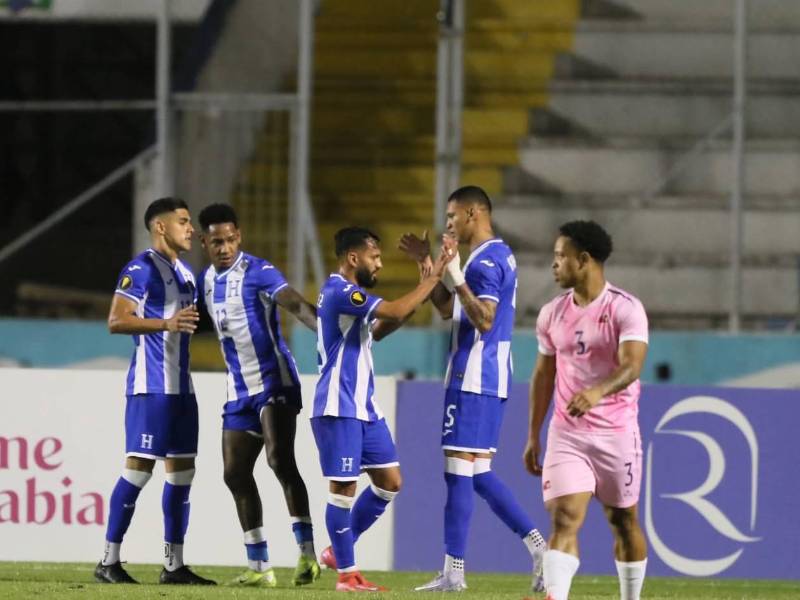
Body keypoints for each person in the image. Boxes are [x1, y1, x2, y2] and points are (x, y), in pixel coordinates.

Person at [400, 185, 547, 593]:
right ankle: (538, 549)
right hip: (482, 376)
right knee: (477, 473)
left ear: (472, 213)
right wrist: (428, 264)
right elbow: (449, 308)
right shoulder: (491, 256)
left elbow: (483, 319)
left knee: (457, 473)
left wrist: (455, 274)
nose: (447, 223)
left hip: (475, 377)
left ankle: (455, 572)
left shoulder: (486, 261)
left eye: (452, 216)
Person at [313, 226, 454, 592]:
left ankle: (337, 552)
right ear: (353, 259)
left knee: (390, 483)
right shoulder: (339, 290)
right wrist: (433, 277)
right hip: (338, 405)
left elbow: (381, 327)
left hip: (364, 406)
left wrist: (422, 293)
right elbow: (392, 308)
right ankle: (347, 574)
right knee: (342, 487)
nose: (379, 265)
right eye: (374, 259)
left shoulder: (352, 298)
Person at [196, 203, 321, 587]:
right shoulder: (206, 281)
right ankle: (259, 565)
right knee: (234, 473)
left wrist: (327, 337)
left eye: (231, 239)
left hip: (273, 380)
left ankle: (307, 555)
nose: (225, 247)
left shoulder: (258, 271)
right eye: (217, 242)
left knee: (279, 459)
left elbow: (296, 303)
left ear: (239, 237)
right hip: (238, 388)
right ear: (205, 243)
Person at [523, 220, 649, 600]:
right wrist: (533, 434)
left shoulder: (626, 309)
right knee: (564, 518)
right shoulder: (551, 314)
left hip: (617, 433)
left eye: (561, 256)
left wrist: (598, 391)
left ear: (584, 260)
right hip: (568, 434)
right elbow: (544, 374)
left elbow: (632, 366)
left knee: (623, 522)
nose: (554, 264)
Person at [94, 198, 215, 585]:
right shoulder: (140, 268)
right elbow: (117, 321)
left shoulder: (187, 274)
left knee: (182, 477)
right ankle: (108, 561)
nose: (191, 229)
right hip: (151, 388)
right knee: (139, 471)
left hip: (183, 391)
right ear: (160, 227)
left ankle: (173, 565)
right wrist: (166, 323)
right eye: (182, 221)